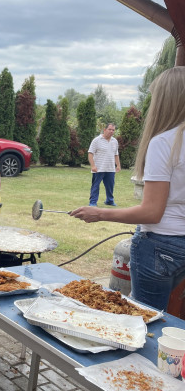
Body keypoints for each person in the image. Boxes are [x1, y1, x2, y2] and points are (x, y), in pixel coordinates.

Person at [71, 66, 185, 311]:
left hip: (160, 245)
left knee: (143, 322)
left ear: (165, 102)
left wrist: (99, 213)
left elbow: (152, 213)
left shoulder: (164, 142)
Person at [87, 123, 121, 206]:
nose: (111, 131)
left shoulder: (114, 141)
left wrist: (118, 165)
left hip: (110, 168)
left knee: (110, 186)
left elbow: (116, 154)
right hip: (98, 168)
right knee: (95, 186)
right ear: (104, 130)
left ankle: (109, 200)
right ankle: (93, 202)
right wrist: (93, 166)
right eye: (109, 129)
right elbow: (90, 153)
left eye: (113, 130)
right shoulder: (97, 140)